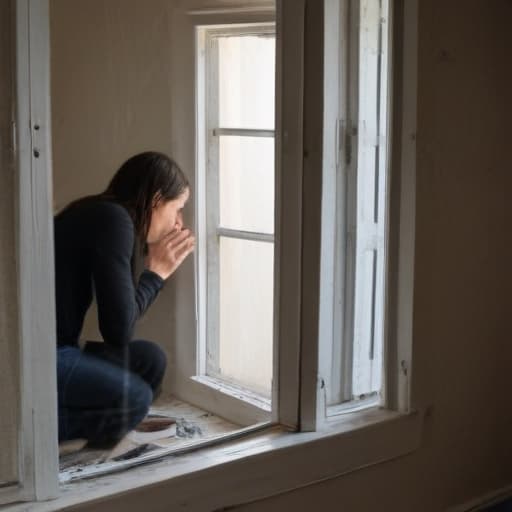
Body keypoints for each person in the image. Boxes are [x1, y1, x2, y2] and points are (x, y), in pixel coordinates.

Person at [55, 151, 195, 448]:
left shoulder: (104, 213)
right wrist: (156, 274)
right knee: (136, 398)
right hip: (42, 359)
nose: (179, 223)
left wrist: (153, 273)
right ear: (157, 200)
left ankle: (101, 422)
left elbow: (120, 325)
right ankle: (31, 426)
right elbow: (118, 331)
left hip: (63, 350)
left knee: (150, 359)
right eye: (178, 209)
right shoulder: (114, 220)